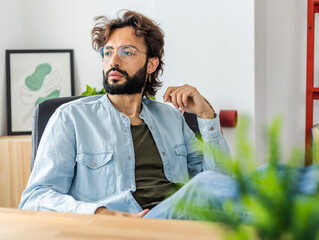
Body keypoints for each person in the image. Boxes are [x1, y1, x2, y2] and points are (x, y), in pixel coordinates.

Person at [19, 10, 234, 218]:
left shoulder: (171, 118)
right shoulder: (70, 118)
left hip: (180, 221)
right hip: (132, 224)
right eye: (108, 52)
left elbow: (220, 182)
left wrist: (206, 114)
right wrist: (98, 213)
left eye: (127, 52)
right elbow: (35, 198)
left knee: (267, 172)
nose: (113, 61)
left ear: (151, 64)